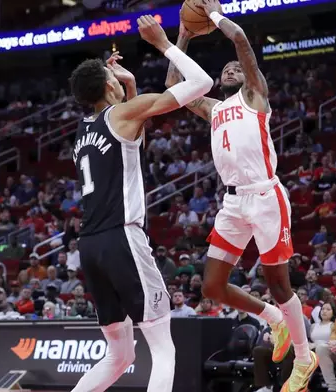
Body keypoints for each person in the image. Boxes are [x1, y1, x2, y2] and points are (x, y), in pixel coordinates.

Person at [165, 3, 317, 390]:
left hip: (265, 195)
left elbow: (241, 41)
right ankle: (273, 319)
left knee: (280, 285)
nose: (231, 69)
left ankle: (304, 357)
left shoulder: (255, 96)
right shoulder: (214, 108)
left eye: (236, 68)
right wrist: (182, 34)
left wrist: (214, 16)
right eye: (226, 69)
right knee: (212, 287)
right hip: (232, 202)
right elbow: (171, 88)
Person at [69, 15, 214, 392]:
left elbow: (133, 146)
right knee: (163, 347)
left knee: (119, 355)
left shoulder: (83, 132)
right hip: (122, 237)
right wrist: (164, 44)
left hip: (90, 245)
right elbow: (202, 84)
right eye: (112, 76)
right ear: (106, 84)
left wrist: (129, 86)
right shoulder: (122, 114)